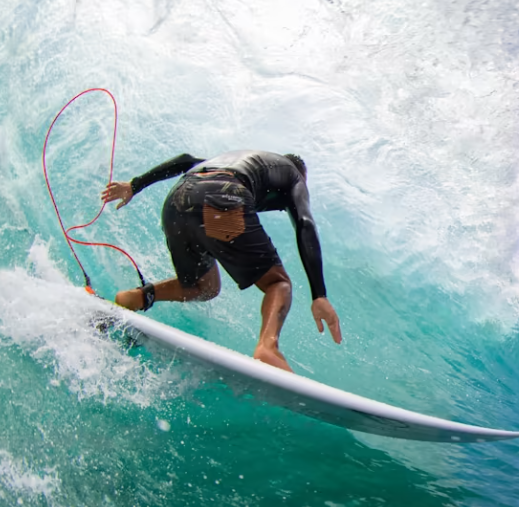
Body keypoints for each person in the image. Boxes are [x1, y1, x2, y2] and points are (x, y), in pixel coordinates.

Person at [100, 150, 341, 373]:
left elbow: (185, 160)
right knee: (278, 284)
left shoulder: (239, 159)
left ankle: (137, 297)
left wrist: (135, 185)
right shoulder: (294, 175)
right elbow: (305, 223)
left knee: (204, 287)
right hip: (223, 196)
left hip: (177, 200)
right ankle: (268, 348)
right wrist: (319, 295)